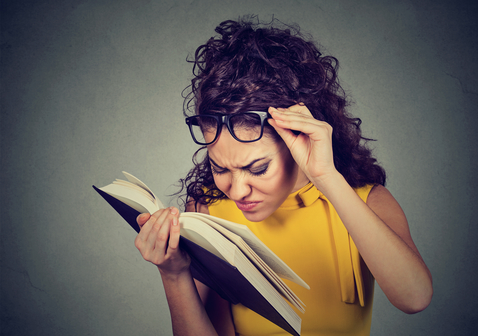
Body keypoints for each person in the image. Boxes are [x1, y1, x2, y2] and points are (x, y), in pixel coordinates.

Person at [133, 18, 433, 336]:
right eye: (220, 168)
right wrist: (173, 275)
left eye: (258, 168)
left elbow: (414, 298)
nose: (237, 191)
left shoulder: (366, 202)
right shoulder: (208, 213)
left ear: (298, 140)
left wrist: (326, 176)